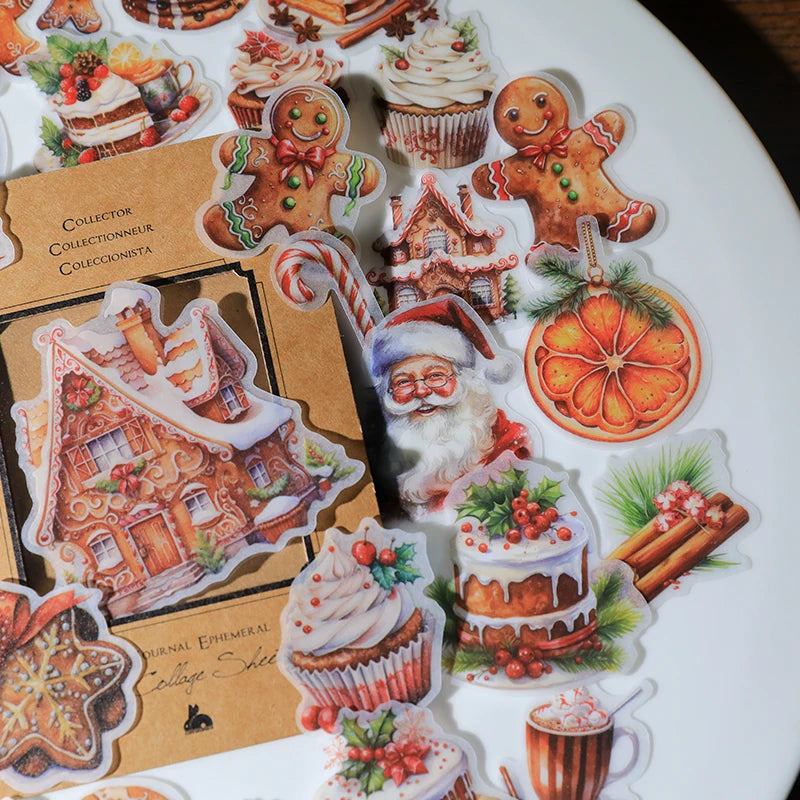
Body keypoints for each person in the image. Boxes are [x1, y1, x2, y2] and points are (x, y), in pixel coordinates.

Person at [370, 296, 531, 517]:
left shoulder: (511, 448)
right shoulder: (379, 472)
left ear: (465, 380)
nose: (421, 391)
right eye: (403, 382)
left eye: (435, 375)